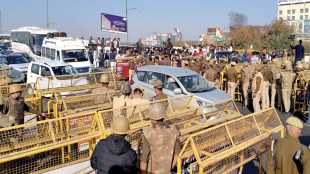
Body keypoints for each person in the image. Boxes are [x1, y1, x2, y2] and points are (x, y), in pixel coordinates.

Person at [140, 103, 180, 174]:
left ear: (153, 119)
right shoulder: (173, 130)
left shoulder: (147, 132)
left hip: (152, 171)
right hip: (167, 170)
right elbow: (177, 152)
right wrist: (171, 167)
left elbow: (144, 158)